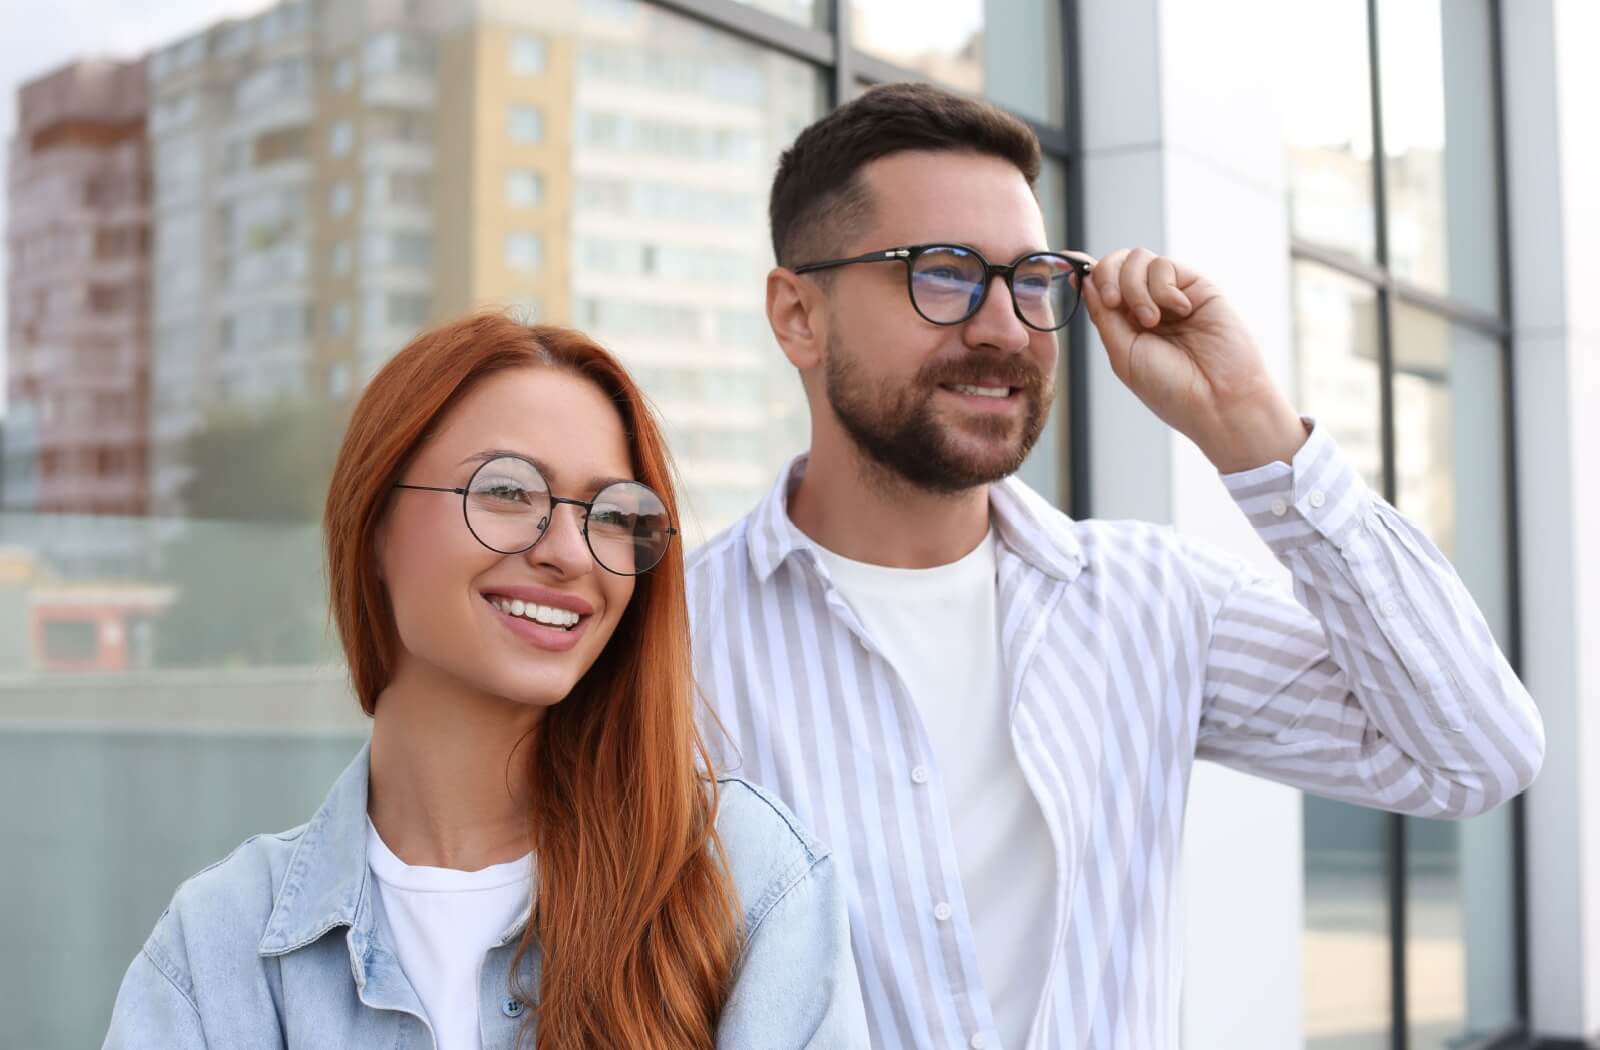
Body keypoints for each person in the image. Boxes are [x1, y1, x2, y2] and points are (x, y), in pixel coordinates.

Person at [685, 82, 1544, 1050]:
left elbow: (1476, 754)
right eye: (942, 273)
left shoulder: (1152, 602)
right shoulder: (675, 644)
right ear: (797, 314)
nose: (1005, 327)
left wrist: (1250, 425)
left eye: (1032, 277)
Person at [103, 316, 869, 1050]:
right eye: (507, 493)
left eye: (610, 515)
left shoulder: (748, 879)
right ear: (373, 527)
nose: (570, 553)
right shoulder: (219, 944)